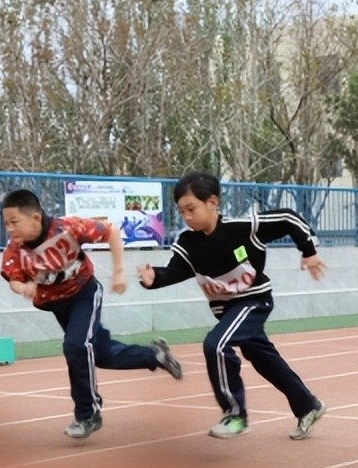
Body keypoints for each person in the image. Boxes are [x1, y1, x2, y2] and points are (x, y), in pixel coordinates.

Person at [137, 171, 326, 441]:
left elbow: (288, 218)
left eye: (192, 209)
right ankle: (308, 405)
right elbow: (174, 272)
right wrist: (152, 278)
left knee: (215, 344)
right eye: (181, 212)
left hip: (254, 301)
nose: (187, 217)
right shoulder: (187, 243)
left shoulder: (241, 228)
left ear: (212, 202)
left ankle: (235, 414)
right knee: (263, 359)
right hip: (227, 311)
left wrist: (309, 251)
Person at [0, 189, 183, 440]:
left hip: (83, 293)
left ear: (35, 218)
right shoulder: (14, 250)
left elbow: (111, 231)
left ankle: (88, 413)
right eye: (6, 223)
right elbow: (13, 279)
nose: (10, 229)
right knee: (100, 353)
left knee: (75, 345)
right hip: (56, 304)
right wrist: (23, 288)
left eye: (14, 222)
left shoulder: (68, 228)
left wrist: (119, 271)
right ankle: (156, 355)